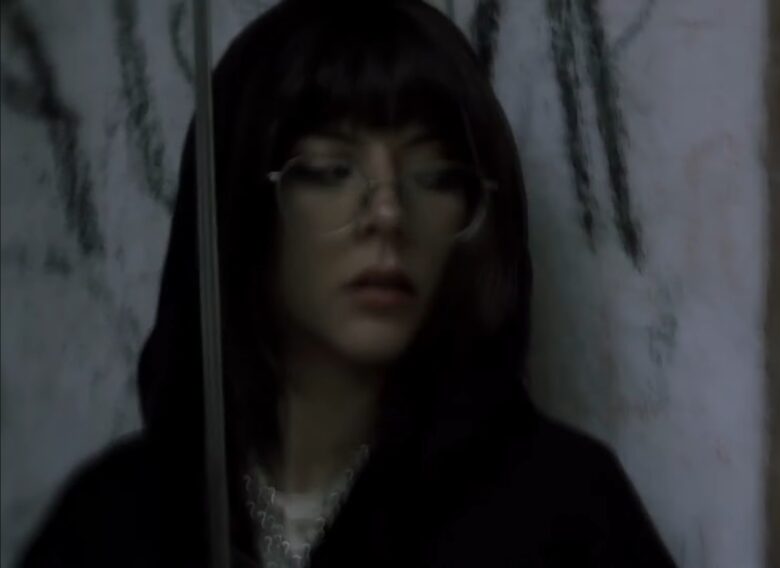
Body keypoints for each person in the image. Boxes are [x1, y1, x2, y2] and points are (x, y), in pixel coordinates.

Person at [21, 1, 675, 566]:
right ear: (239, 205)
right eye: (330, 169)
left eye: (435, 175)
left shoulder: (565, 512)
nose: (388, 213)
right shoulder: (115, 518)